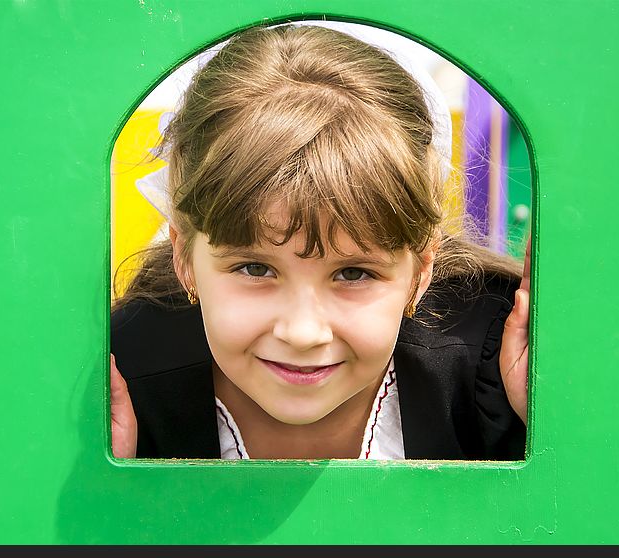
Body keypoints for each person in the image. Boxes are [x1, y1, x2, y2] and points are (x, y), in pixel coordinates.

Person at [109, 24, 530, 461]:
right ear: (184, 258)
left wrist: (545, 424)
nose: (303, 333)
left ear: (421, 271)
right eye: (255, 268)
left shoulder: (490, 370)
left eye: (353, 273)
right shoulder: (130, 377)